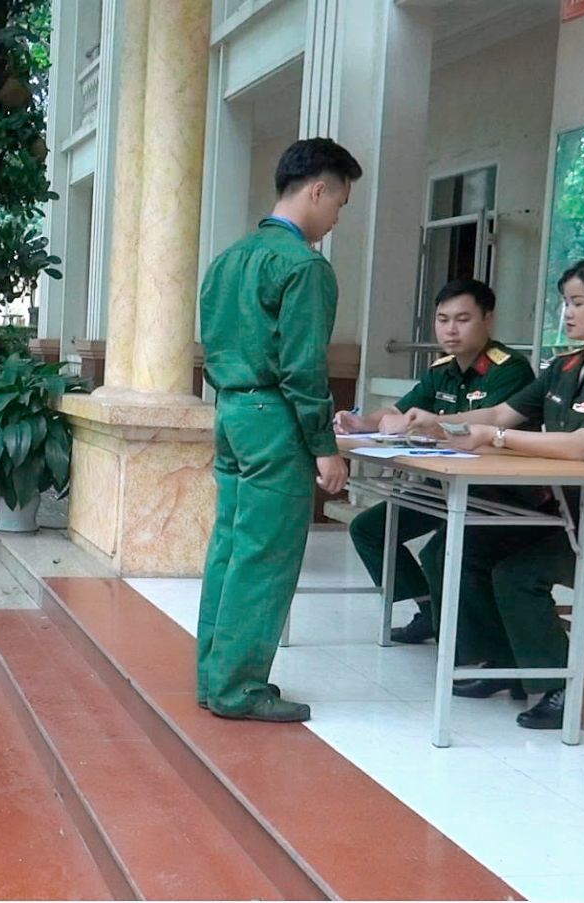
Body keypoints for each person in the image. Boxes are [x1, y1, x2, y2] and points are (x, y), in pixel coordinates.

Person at [402, 255, 584, 729]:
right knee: (458, 550)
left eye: (578, 302)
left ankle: (563, 687)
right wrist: (439, 423)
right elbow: (501, 414)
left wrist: (496, 439)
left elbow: (580, 446)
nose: (568, 312)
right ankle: (503, 664)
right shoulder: (563, 368)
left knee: (518, 575)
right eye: (566, 303)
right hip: (561, 513)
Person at [195, 138, 361, 723]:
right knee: (266, 556)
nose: (337, 217)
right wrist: (325, 447)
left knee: (230, 546)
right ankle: (240, 688)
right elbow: (303, 367)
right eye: (339, 202)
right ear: (317, 190)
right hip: (276, 419)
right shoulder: (304, 267)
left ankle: (214, 678)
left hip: (231, 413)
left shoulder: (228, 260)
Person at [333, 279, 535, 644]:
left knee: (438, 552)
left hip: (495, 490)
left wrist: (434, 424)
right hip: (443, 484)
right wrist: (362, 422)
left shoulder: (510, 369)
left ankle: (474, 641)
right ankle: (431, 612)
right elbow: (399, 411)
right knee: (370, 529)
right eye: (443, 320)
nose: (451, 330)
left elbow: (490, 421)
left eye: (462, 319)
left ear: (487, 320)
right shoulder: (442, 369)